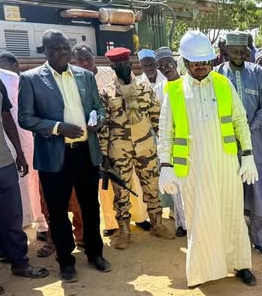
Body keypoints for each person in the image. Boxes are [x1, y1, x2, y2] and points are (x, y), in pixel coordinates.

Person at [158, 30, 258, 287]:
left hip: (225, 163)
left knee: (231, 215)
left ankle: (240, 265)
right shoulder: (175, 91)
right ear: (186, 63)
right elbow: (166, 131)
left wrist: (247, 156)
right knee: (199, 219)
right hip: (193, 167)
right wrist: (166, 166)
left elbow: (239, 121)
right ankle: (203, 272)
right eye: (196, 63)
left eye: (205, 62)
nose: (201, 67)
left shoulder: (224, 85)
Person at [18, 29, 111, 282]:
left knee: (91, 207)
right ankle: (66, 261)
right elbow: (25, 118)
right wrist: (58, 128)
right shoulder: (31, 79)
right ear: (44, 51)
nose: (61, 53)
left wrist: (98, 120)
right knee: (58, 211)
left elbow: (98, 107)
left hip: (84, 153)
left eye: (64, 48)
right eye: (54, 48)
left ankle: (95, 253)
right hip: (54, 155)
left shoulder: (84, 76)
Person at [72, 43, 151, 237]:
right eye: (79, 59)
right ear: (74, 61)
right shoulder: (74, 79)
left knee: (133, 178)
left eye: (87, 57)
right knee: (106, 181)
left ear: (93, 55)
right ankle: (112, 222)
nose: (84, 62)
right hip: (94, 135)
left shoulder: (110, 73)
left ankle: (140, 217)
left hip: (122, 134)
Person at [99, 47, 174, 249]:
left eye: (124, 64)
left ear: (130, 64)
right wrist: (104, 154)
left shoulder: (144, 89)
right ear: (112, 67)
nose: (121, 68)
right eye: (116, 66)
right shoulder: (106, 93)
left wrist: (165, 146)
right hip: (119, 150)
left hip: (146, 148)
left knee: (151, 186)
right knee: (121, 192)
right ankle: (124, 231)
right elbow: (103, 126)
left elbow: (157, 118)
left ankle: (157, 224)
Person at [216, 31, 262, 257]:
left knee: (257, 192)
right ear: (226, 51)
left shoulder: (258, 73)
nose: (239, 55)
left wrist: (247, 128)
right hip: (227, 145)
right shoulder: (217, 75)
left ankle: (259, 240)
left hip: (255, 142)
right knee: (230, 192)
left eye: (243, 51)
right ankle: (234, 243)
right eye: (234, 51)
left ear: (248, 51)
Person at [0, 76, 49, 292]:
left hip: (4, 162)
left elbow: (6, 117)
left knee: (12, 216)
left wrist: (19, 153)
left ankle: (20, 262)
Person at [154, 47, 186, 236]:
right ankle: (181, 224)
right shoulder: (159, 89)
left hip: (187, 144)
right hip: (168, 144)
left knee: (189, 187)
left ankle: (191, 224)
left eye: (169, 64)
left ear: (175, 64)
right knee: (175, 188)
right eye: (162, 66)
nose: (166, 68)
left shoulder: (186, 84)